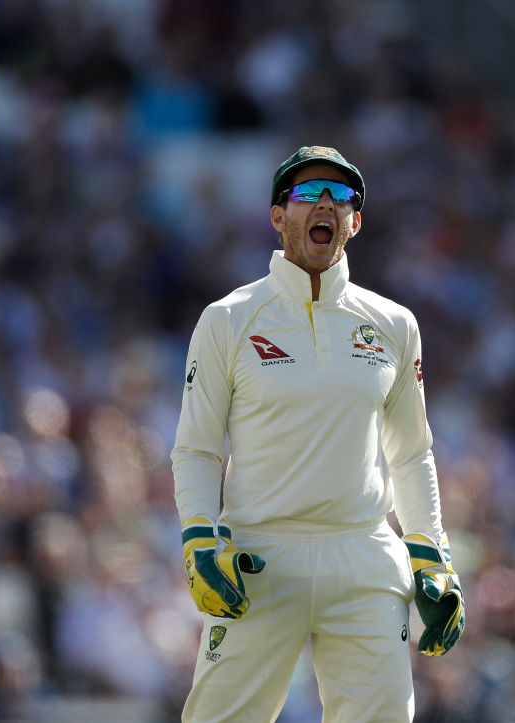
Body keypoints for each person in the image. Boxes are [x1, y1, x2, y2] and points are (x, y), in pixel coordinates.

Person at [171, 145, 465, 722]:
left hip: (363, 552)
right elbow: (197, 447)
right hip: (258, 555)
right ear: (279, 216)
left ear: (355, 222)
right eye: (307, 194)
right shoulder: (229, 318)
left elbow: (412, 452)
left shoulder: (394, 324)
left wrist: (431, 553)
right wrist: (199, 537)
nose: (324, 204)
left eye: (341, 197)